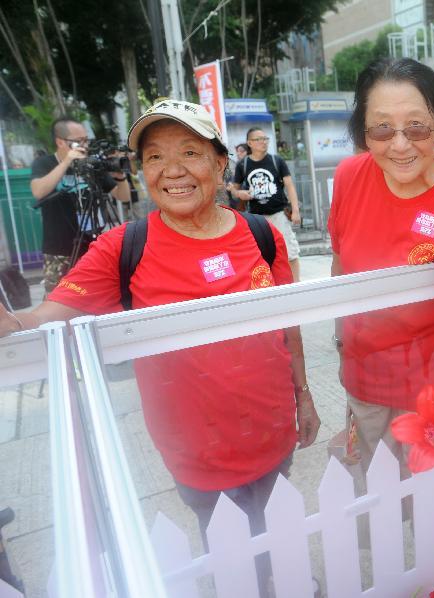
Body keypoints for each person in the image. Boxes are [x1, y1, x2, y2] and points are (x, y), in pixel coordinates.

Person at [1, 100, 320, 555]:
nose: (172, 170)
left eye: (190, 152)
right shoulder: (124, 246)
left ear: (220, 161)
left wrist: (303, 394)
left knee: (277, 536)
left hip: (273, 433)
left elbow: (288, 324)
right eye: (155, 157)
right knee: (232, 553)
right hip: (195, 454)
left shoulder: (260, 235)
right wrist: (14, 321)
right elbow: (45, 315)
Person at [329, 57, 434, 477]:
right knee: (371, 499)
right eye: (382, 128)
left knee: (432, 512)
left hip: (433, 393)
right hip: (365, 378)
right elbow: (339, 265)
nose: (400, 145)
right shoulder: (350, 177)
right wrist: (342, 345)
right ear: (364, 132)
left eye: (417, 127)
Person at [30, 117, 131, 294]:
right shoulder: (45, 163)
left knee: (100, 297)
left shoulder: (91, 164)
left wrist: (120, 175)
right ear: (60, 142)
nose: (84, 145)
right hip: (60, 249)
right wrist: (68, 161)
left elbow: (123, 196)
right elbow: (39, 191)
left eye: (86, 140)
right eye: (78, 141)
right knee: (58, 299)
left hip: (94, 246)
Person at [231, 129, 302, 282]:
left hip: (278, 214)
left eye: (265, 138)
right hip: (257, 219)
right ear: (250, 143)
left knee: (290, 252)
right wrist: (239, 194)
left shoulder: (277, 161)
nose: (263, 142)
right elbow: (233, 188)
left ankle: (297, 285)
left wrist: (295, 210)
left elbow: (289, 185)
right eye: (259, 139)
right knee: (260, 255)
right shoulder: (243, 165)